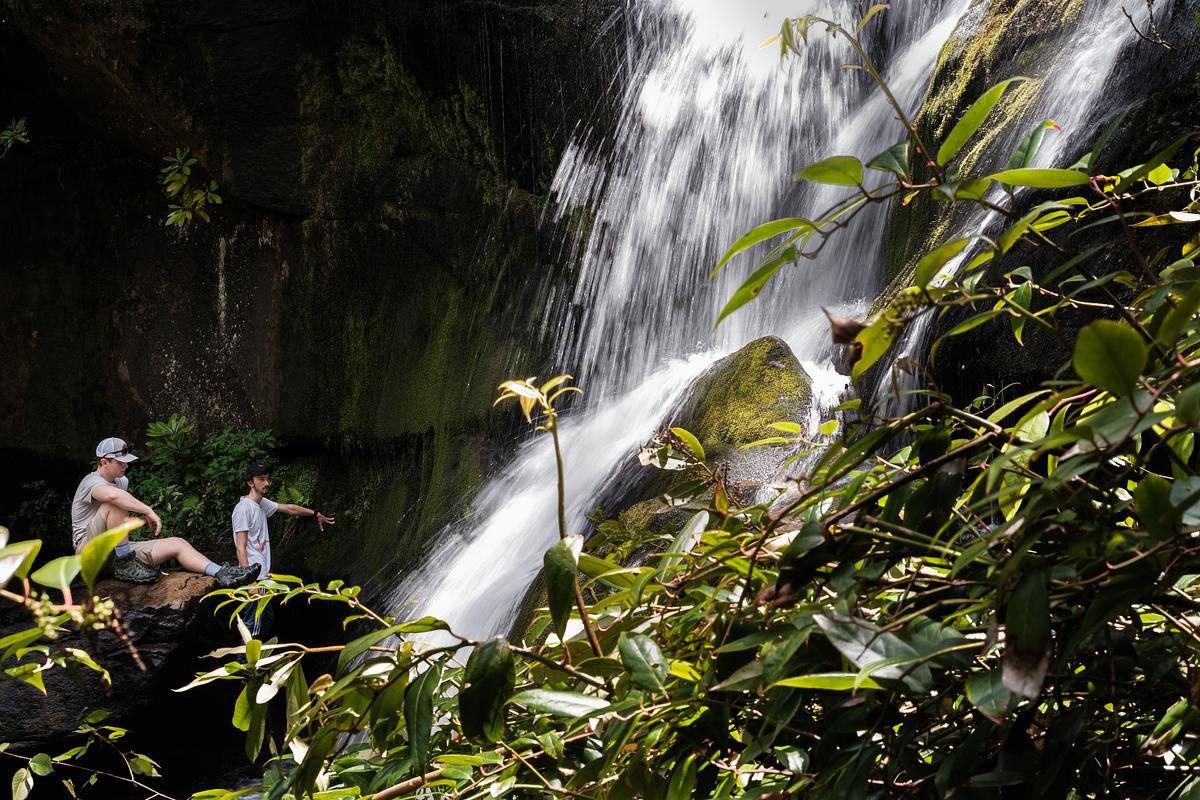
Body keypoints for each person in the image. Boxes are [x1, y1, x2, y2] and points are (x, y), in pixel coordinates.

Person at [71, 437, 260, 588]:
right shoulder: (91, 482)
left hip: (115, 555)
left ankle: (221, 573)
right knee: (115, 502)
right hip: (89, 555)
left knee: (177, 543)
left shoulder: (122, 481)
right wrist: (147, 510)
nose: (126, 466)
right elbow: (113, 498)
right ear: (104, 462)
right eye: (121, 462)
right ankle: (126, 562)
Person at [232, 462, 334, 635]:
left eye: (268, 479)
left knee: (265, 621)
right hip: (254, 578)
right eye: (261, 479)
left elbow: (289, 508)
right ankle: (245, 662)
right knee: (253, 628)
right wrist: (250, 582)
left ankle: (254, 659)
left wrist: (315, 513)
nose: (267, 483)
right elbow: (240, 548)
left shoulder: (261, 504)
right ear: (251, 482)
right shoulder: (243, 509)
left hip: (263, 577)